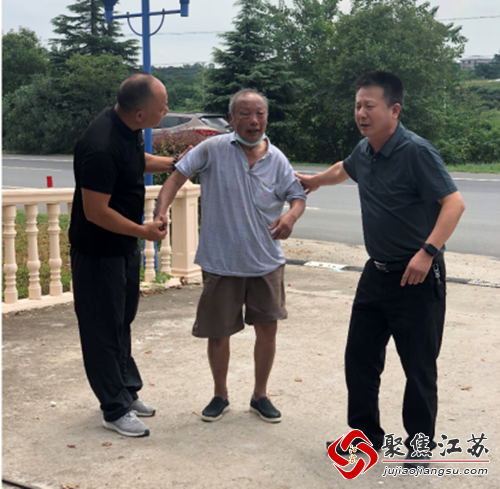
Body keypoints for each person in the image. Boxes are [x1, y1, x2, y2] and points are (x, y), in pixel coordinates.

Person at [296, 71, 465, 466]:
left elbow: (454, 203)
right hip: (376, 273)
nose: (361, 113)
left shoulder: (416, 152)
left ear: (394, 110)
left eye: (369, 106)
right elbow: (344, 168)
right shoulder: (366, 149)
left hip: (416, 275)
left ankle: (419, 446)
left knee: (418, 367)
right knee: (359, 359)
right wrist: (315, 181)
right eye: (358, 105)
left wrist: (427, 252)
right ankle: (366, 438)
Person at [154, 88, 307, 423]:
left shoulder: (277, 159)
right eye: (245, 114)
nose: (253, 121)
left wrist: (291, 217)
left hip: (265, 261)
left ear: (266, 118)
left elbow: (298, 197)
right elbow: (175, 179)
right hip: (221, 261)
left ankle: (260, 395)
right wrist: (160, 211)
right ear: (232, 118)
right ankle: (220, 394)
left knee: (267, 331)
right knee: (218, 332)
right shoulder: (212, 149)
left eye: (260, 114)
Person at [69, 72, 186, 438]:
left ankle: (125, 390)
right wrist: (143, 231)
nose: (166, 110)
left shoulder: (128, 129)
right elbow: (95, 212)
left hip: (122, 248)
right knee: (102, 329)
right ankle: (114, 408)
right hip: (97, 253)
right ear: (140, 114)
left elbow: (134, 162)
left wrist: (173, 164)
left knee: (122, 320)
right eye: (162, 107)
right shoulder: (101, 145)